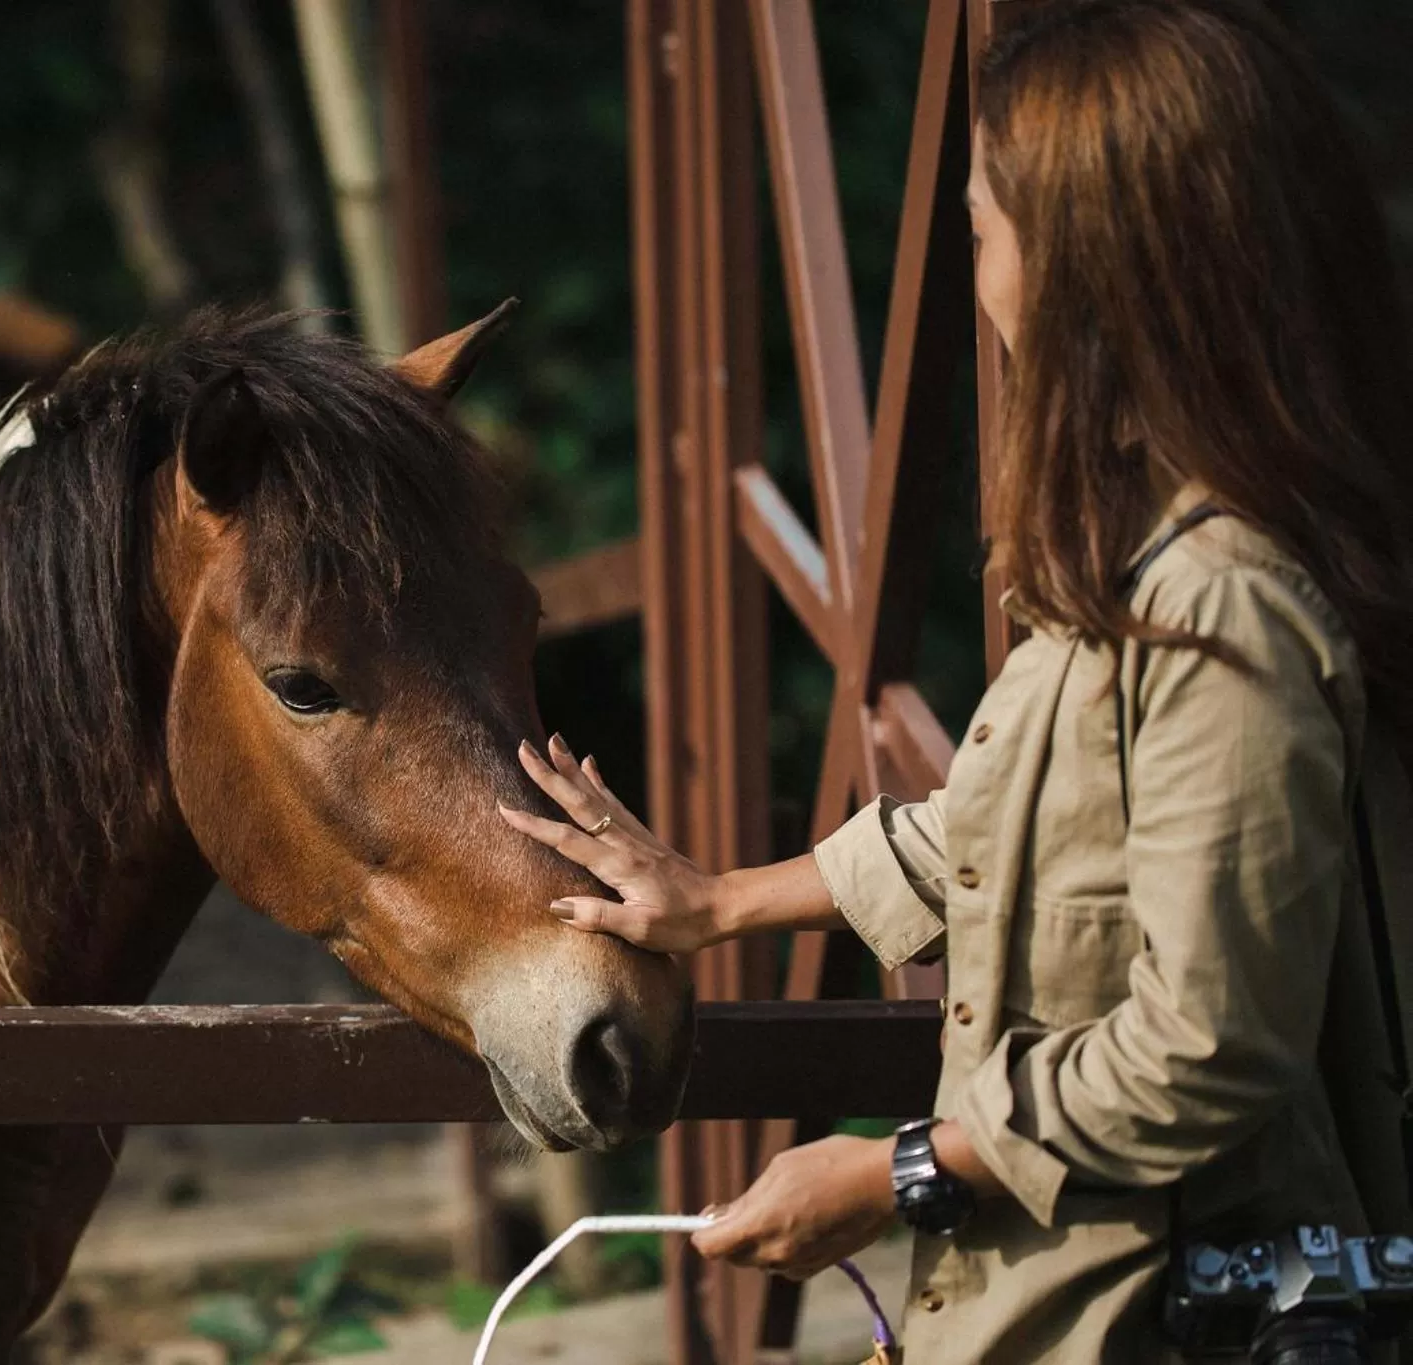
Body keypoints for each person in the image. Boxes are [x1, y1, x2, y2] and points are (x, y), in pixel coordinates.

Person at [499, 0, 1413, 1357]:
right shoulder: (1141, 568)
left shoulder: (1224, 613)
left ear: (1091, 268)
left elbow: (1211, 1047)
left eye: (983, 230)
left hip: (1154, 1319)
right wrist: (719, 900)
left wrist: (894, 1172)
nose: (976, 274)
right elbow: (1018, 834)